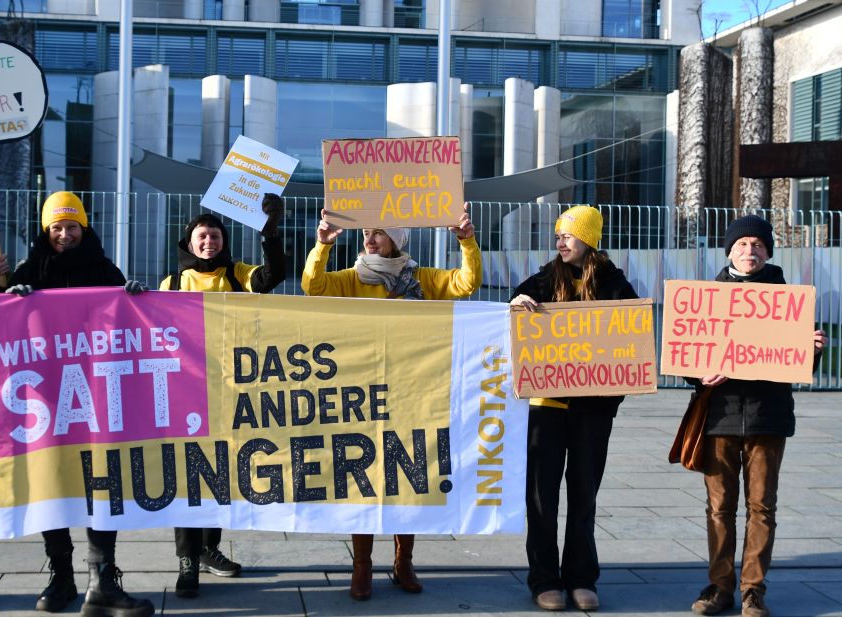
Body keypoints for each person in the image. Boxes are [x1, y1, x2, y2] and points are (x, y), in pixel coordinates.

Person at [301, 204, 481, 600]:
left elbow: (467, 283)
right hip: (363, 396)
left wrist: (466, 242)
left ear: (396, 239)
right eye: (366, 232)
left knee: (409, 477)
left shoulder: (422, 279)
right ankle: (362, 565)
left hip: (411, 393)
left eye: (379, 232)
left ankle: (403, 562)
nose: (369, 238)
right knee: (362, 479)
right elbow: (313, 287)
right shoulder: (352, 278)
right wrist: (322, 245)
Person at [0, 191, 154, 617]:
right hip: (46, 400)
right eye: (57, 227)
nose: (65, 234)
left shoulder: (104, 269)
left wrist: (136, 298)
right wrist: (4, 293)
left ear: (85, 227)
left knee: (103, 481)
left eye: (72, 226)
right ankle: (61, 575)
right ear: (46, 231)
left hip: (96, 397)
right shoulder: (29, 270)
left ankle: (103, 579)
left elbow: (130, 324)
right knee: (53, 481)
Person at [689, 215, 827, 617]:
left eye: (758, 244)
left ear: (768, 251)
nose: (750, 251)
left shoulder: (788, 302)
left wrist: (813, 350)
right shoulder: (707, 298)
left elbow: (798, 364)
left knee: (762, 507)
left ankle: (753, 590)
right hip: (720, 416)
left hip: (768, 416)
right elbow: (688, 355)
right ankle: (720, 587)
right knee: (719, 508)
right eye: (742, 244)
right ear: (729, 251)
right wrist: (698, 374)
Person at [508, 205, 637, 612]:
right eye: (558, 235)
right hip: (547, 407)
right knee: (541, 497)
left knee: (584, 495)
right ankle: (544, 580)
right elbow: (513, 315)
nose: (560, 241)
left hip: (593, 410)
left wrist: (611, 396)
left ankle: (581, 578)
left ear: (589, 239)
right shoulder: (545, 279)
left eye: (568, 235)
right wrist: (517, 304)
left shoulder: (616, 285)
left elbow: (632, 342)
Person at [159, 193, 286, 598]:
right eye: (202, 236)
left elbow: (274, 274)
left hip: (230, 389)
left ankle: (208, 548)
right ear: (189, 242)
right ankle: (187, 559)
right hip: (185, 392)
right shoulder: (172, 284)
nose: (209, 242)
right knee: (187, 475)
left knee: (218, 474)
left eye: (215, 236)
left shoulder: (238, 274)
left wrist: (270, 230)